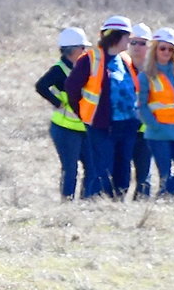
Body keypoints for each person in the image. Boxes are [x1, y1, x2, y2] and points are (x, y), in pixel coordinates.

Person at [65, 15, 140, 199]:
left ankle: (117, 205)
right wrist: (84, 113)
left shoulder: (125, 60)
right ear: (116, 36)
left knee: (123, 172)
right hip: (102, 126)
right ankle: (96, 206)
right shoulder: (91, 59)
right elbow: (71, 87)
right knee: (102, 171)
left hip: (127, 125)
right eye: (127, 37)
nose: (130, 41)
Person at [35, 27, 93, 200]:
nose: (86, 52)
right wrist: (57, 102)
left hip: (85, 128)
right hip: (64, 128)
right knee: (70, 169)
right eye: (83, 48)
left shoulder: (85, 68)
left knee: (92, 167)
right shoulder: (59, 70)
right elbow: (41, 86)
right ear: (73, 50)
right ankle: (67, 204)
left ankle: (87, 203)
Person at [137, 28, 174, 198]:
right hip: (159, 133)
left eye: (171, 49)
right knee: (165, 175)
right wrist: (154, 126)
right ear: (155, 49)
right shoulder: (146, 76)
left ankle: (161, 199)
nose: (167, 52)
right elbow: (142, 106)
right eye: (163, 48)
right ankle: (164, 203)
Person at [129, 23, 154, 200]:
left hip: (146, 130)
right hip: (124, 127)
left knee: (144, 174)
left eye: (142, 43)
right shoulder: (120, 66)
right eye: (133, 42)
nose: (137, 47)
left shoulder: (155, 70)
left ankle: (141, 205)